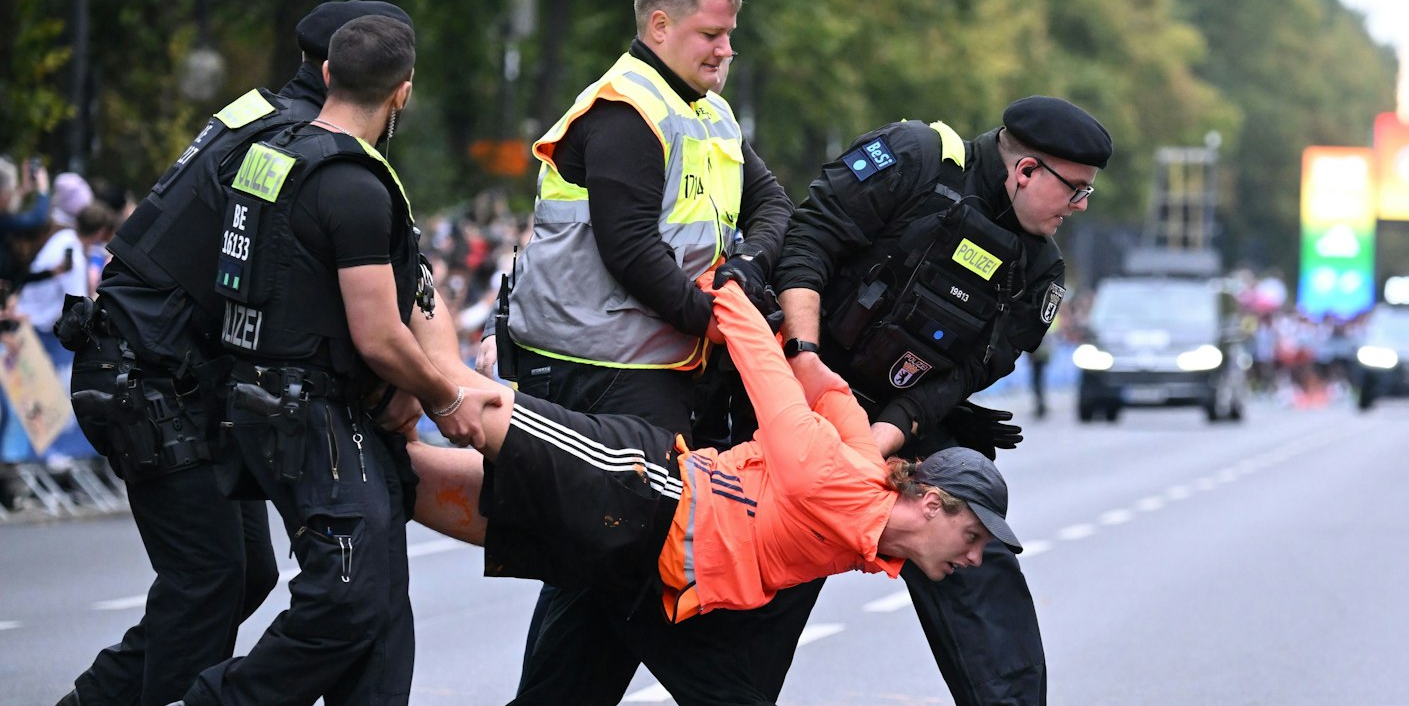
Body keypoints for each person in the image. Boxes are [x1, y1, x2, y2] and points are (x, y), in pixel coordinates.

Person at [480, 0, 866, 706]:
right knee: (635, 556)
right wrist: (720, 318)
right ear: (660, 26)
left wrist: (744, 272)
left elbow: (774, 208)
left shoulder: (710, 115)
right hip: (596, 371)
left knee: (602, 564)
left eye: (731, 35)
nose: (725, 50)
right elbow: (627, 248)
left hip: (654, 369)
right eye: (711, 33)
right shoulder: (624, 112)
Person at [36, 1, 416, 706]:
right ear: (341, 74)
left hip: (164, 369)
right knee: (210, 574)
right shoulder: (293, 150)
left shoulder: (259, 118)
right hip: (153, 375)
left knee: (240, 573)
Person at [130, 15, 502, 706]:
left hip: (267, 401)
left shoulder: (270, 155)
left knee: (378, 595)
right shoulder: (356, 184)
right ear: (402, 91)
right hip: (318, 412)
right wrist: (446, 396)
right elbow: (378, 333)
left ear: (327, 70)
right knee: (349, 595)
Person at [769, 96, 1123, 706]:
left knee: (966, 510)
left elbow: (958, 378)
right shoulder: (915, 159)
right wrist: (803, 367)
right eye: (1074, 188)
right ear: (1026, 168)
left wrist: (878, 441)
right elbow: (807, 242)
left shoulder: (1040, 272)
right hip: (779, 379)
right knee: (756, 540)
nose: (1081, 205)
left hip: (883, 420)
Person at [411, 276, 1012, 615]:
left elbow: (829, 396)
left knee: (485, 509)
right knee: (473, 403)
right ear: (932, 504)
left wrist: (795, 345)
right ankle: (403, 310)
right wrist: (729, 293)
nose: (975, 559)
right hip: (649, 491)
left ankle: (379, 456)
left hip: (648, 549)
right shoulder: (835, 480)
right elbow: (772, 387)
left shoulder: (869, 493)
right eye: (973, 538)